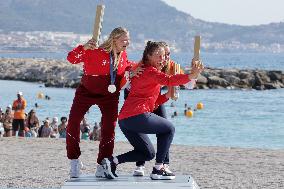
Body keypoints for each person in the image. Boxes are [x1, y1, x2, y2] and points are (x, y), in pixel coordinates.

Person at [101, 41, 204, 180]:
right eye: (158, 56)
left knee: (147, 153)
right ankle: (159, 169)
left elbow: (153, 103)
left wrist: (167, 96)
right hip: (136, 115)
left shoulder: (147, 69)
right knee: (169, 129)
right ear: (148, 56)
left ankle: (112, 162)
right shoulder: (149, 70)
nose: (163, 59)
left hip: (126, 120)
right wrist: (191, 75)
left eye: (164, 56)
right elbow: (168, 79)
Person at [66, 27, 139, 178]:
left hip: (109, 96)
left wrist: (137, 68)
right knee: (73, 123)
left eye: (128, 39)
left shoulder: (123, 56)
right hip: (86, 91)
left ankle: (102, 163)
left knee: (109, 129)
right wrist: (83, 47)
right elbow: (71, 58)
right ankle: (74, 160)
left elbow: (129, 66)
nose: (127, 42)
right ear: (114, 39)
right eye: (124, 39)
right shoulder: (94, 50)